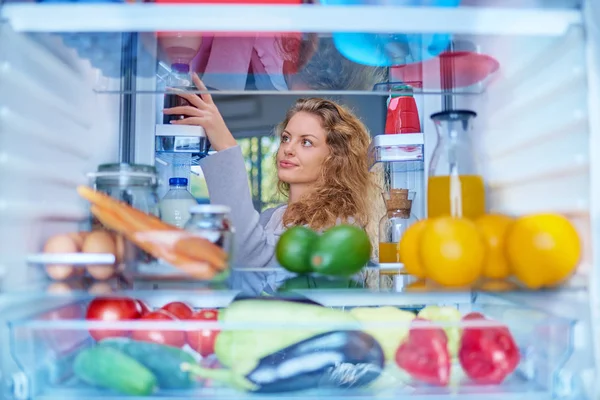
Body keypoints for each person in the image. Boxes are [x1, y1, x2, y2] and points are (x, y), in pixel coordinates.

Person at [164, 74, 382, 289]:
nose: (288, 148)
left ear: (335, 160)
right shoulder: (272, 217)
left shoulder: (341, 227)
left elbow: (253, 259)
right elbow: (239, 271)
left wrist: (226, 147)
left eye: (306, 142)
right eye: (286, 138)